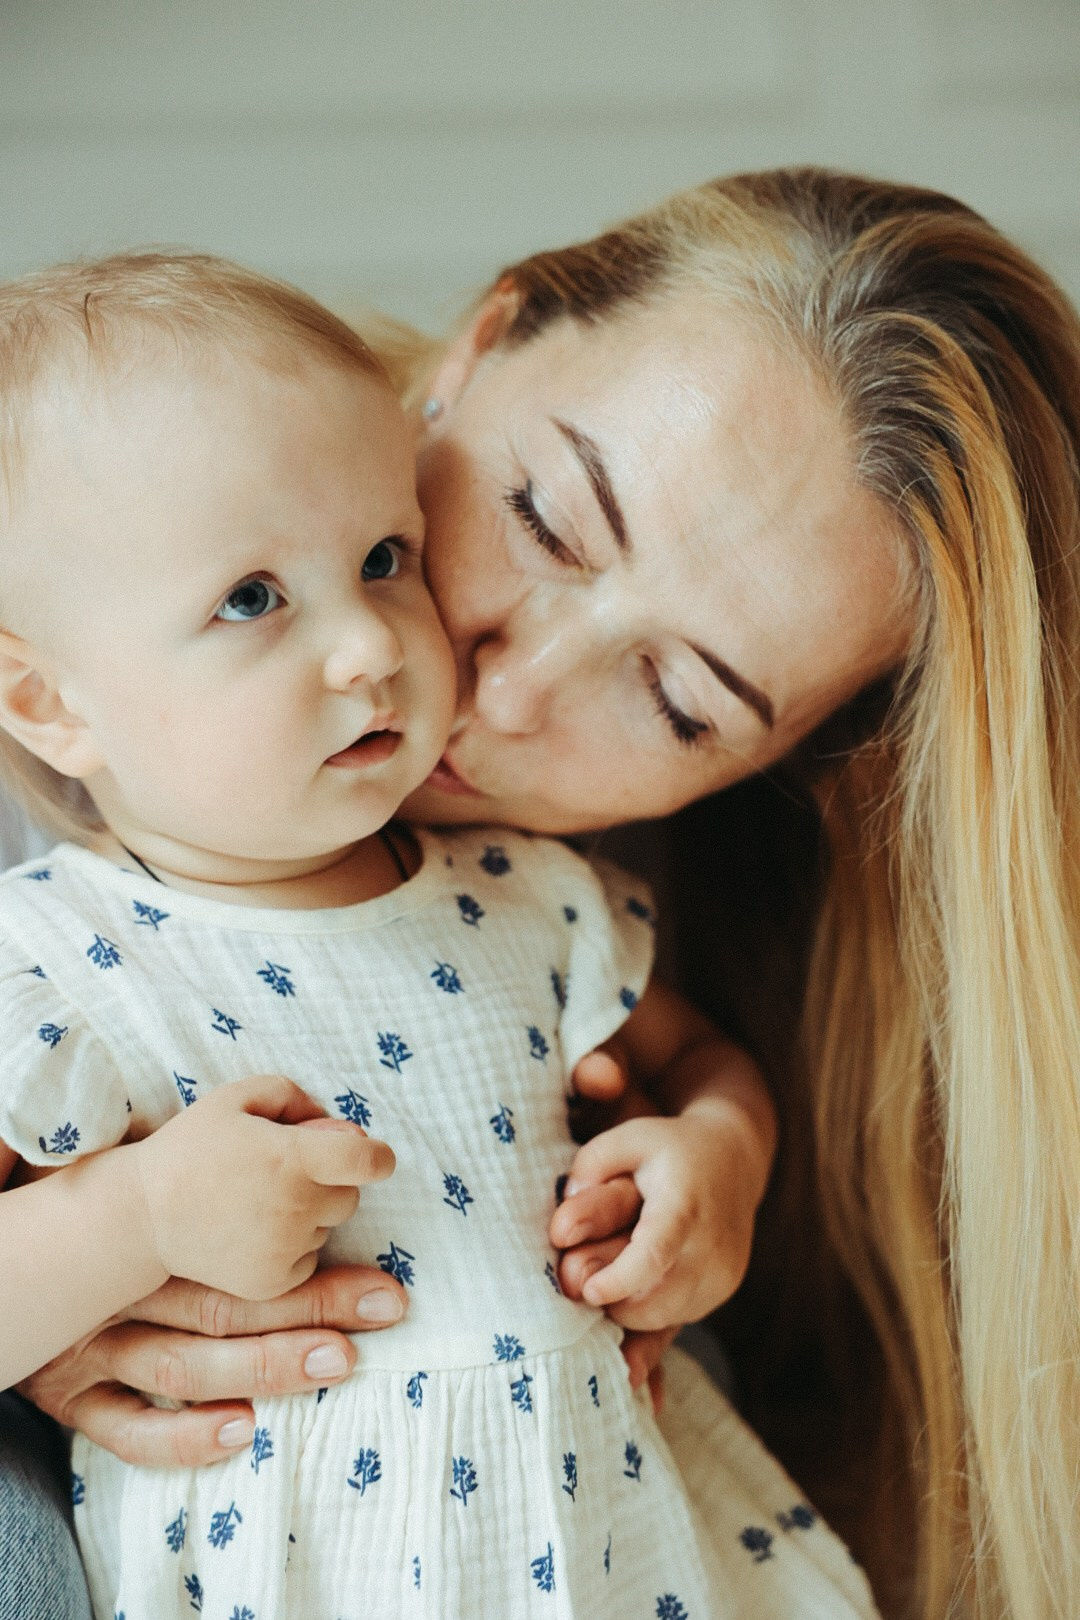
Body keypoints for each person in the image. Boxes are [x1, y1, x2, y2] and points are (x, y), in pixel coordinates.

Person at [7, 167, 1080, 1619]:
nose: (494, 690)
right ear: (481, 345)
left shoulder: (549, 905)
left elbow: (699, 1075)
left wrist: (723, 1158)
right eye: (546, 517)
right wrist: (86, 1270)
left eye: (679, 700)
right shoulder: (112, 534)